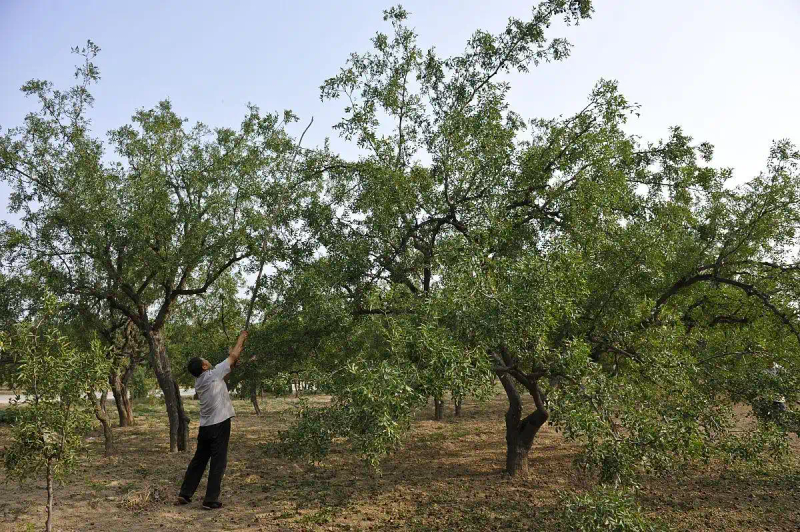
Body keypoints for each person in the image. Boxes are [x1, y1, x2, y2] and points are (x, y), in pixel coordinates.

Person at [177, 330, 248, 510]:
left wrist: (231, 366)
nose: (207, 360)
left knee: (199, 460)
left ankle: (185, 493)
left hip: (206, 426)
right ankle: (210, 499)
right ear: (204, 367)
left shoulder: (202, 381)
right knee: (218, 461)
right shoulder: (213, 374)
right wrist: (242, 337)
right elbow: (233, 355)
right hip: (220, 424)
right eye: (205, 360)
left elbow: (223, 376)